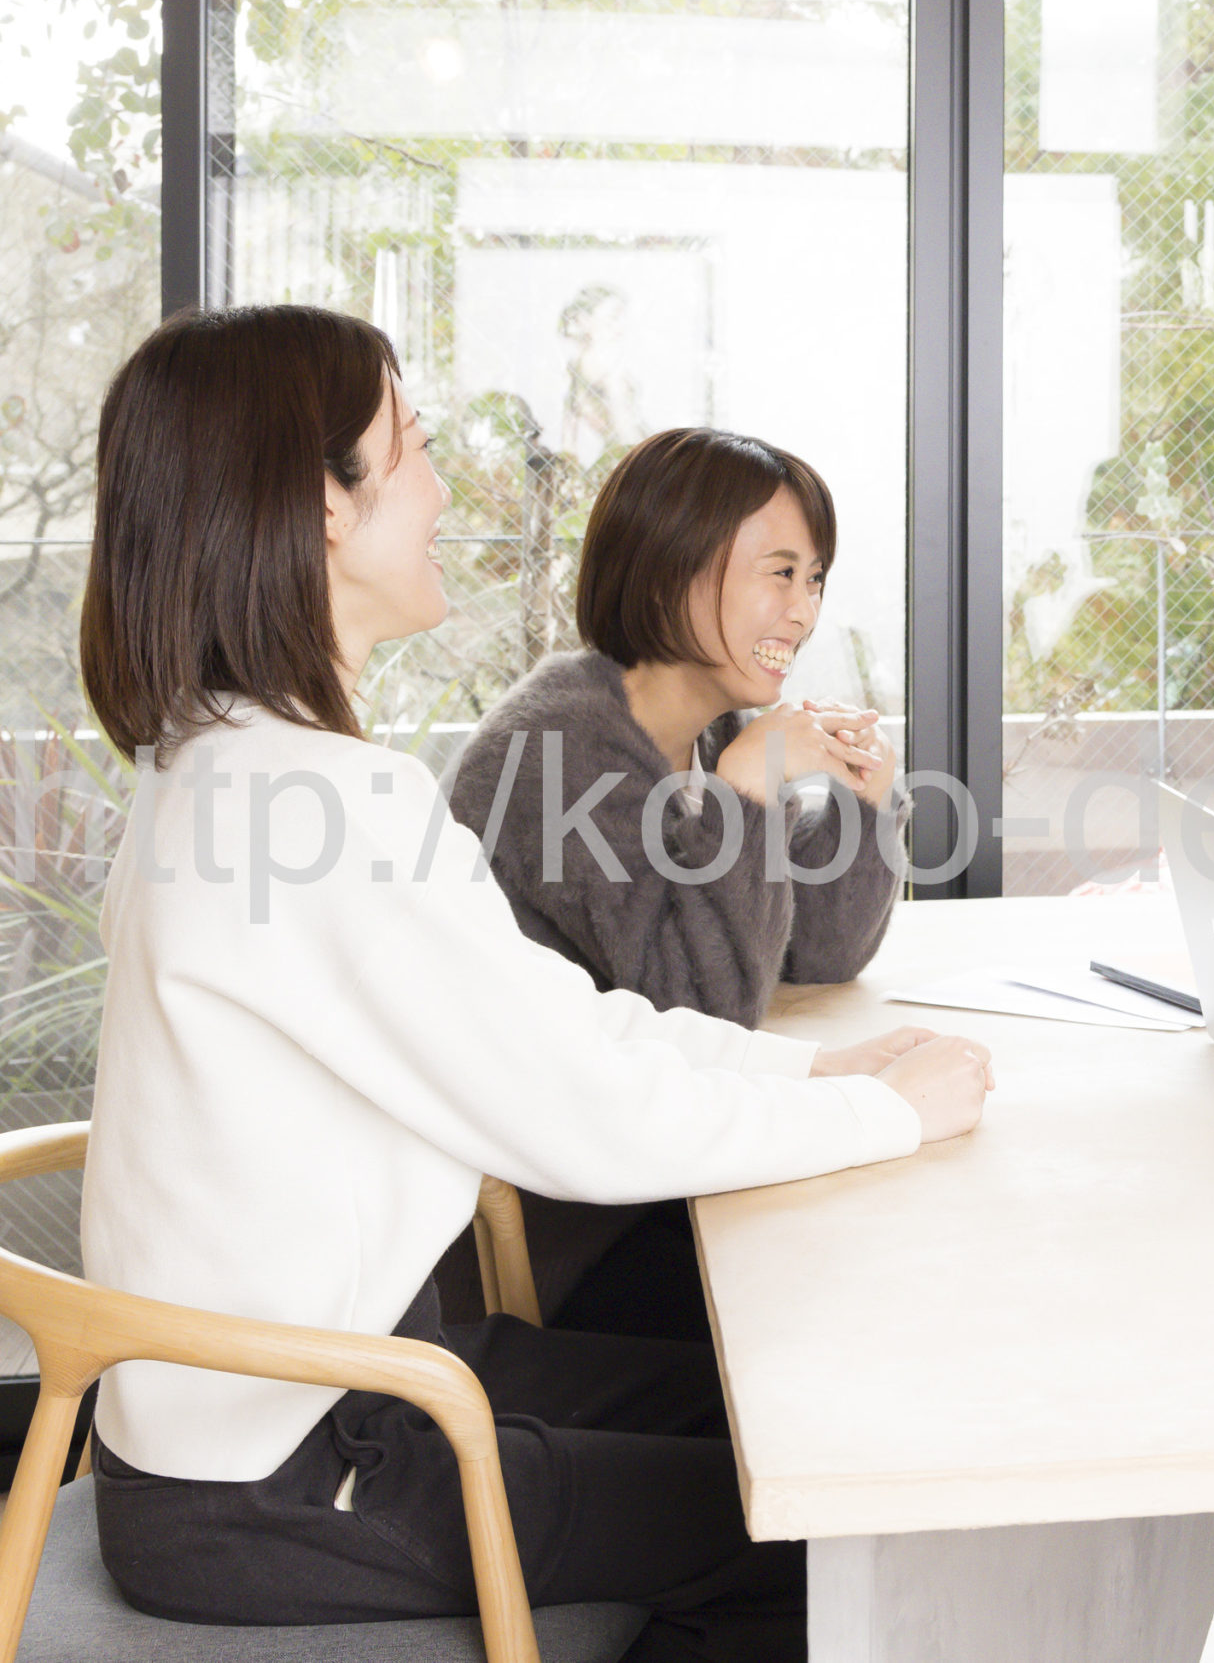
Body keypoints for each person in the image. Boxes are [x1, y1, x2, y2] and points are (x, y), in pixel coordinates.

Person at [75, 303, 993, 1661]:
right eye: (416, 447)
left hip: (319, 1394)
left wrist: (817, 1068)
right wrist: (885, 1115)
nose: (447, 490)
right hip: (294, 1467)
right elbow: (588, 1118)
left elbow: (553, 1017)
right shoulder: (314, 800)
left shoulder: (229, 767)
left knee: (792, 1418)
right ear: (322, 505)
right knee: (821, 1529)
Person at [437, 427, 901, 1340]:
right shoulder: (555, 754)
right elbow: (706, 1007)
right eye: (780, 572)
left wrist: (865, 802)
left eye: (814, 579)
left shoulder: (710, 730)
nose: (803, 611)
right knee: (863, 1288)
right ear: (670, 571)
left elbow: (817, 950)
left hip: (660, 1169)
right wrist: (747, 792)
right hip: (572, 1234)